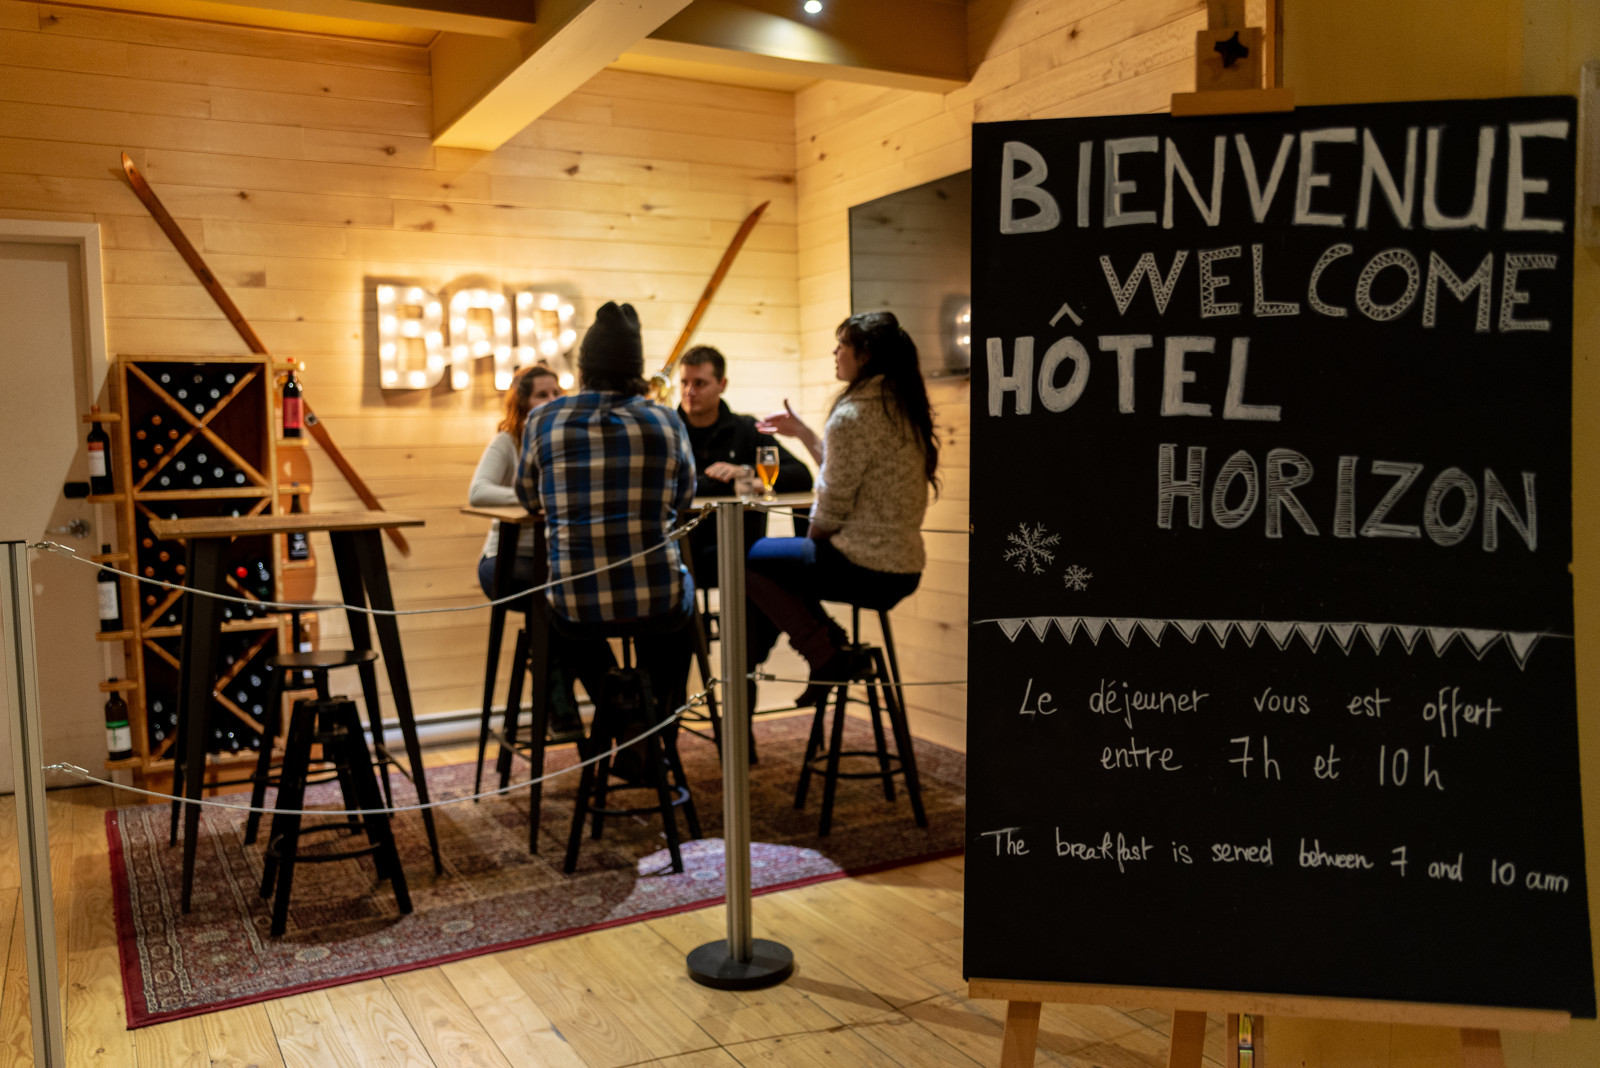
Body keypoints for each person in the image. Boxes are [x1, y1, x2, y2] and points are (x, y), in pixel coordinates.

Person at [517, 301, 698, 724]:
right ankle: (654, 726)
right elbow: (685, 499)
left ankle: (619, 716)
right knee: (680, 604)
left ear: (583, 369)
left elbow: (527, 498)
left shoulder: (543, 420)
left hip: (575, 602)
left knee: (564, 612)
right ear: (637, 371)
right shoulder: (667, 421)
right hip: (658, 598)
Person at [748, 311, 940, 705]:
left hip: (865, 566)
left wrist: (811, 538)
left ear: (864, 355)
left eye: (842, 345)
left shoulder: (853, 415)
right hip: (904, 569)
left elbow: (832, 504)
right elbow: (845, 472)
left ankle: (825, 651)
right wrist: (803, 432)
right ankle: (829, 645)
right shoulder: (901, 406)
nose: (835, 353)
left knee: (747, 561)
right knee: (782, 564)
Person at [468, 362, 601, 740]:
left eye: (557, 392)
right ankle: (595, 704)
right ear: (522, 404)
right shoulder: (508, 441)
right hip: (506, 560)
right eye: (542, 394)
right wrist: (536, 497)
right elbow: (478, 492)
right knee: (552, 596)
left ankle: (575, 702)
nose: (553, 400)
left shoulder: (569, 441)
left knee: (567, 599)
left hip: (555, 560)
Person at [675, 344, 812, 583]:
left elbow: (801, 475)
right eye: (684, 383)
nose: (689, 392)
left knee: (783, 569)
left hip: (743, 547)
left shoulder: (746, 429)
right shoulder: (669, 431)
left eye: (699, 383)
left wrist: (750, 477)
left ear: (722, 385)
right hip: (683, 551)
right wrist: (733, 485)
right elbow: (668, 485)